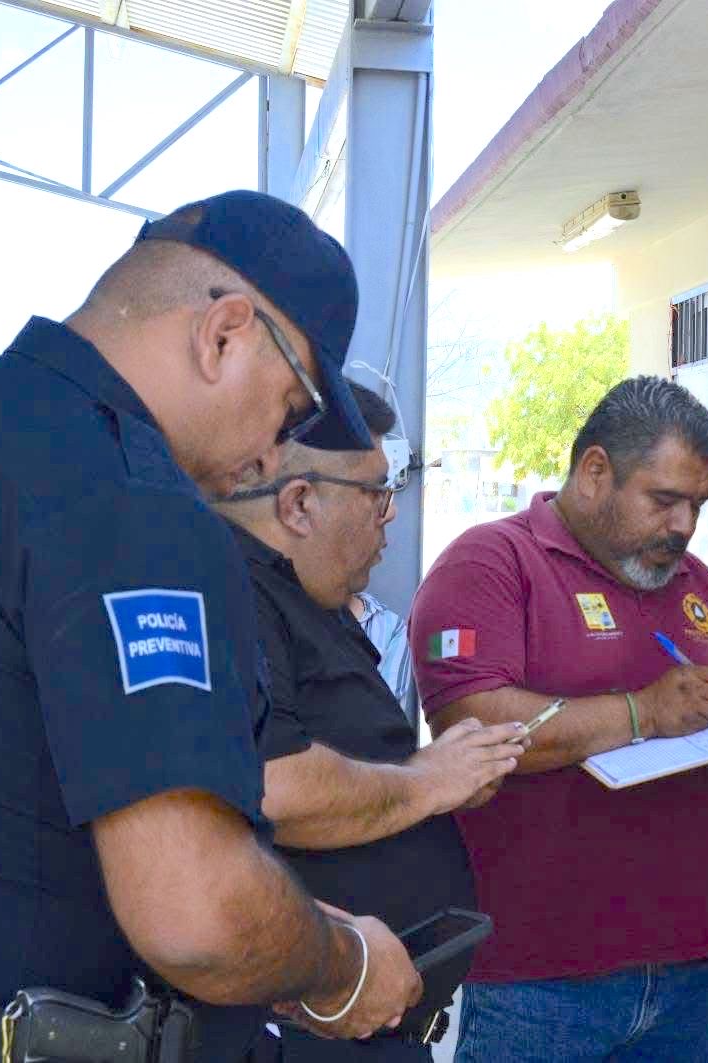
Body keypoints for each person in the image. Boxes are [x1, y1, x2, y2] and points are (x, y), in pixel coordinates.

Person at [0, 191, 422, 1060]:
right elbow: (195, 913)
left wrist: (279, 926)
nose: (271, 453)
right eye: (292, 411)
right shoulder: (134, 495)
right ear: (223, 333)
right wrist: (344, 966)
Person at [412, 376, 708, 1062]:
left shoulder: (694, 581)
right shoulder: (491, 562)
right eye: (664, 499)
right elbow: (473, 722)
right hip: (538, 976)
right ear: (594, 471)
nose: (684, 525)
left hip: (688, 964)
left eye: (697, 504)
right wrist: (644, 712)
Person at [215, 381, 526, 1061]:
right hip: (308, 1023)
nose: (390, 514)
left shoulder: (312, 596)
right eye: (377, 491)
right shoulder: (237, 595)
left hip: (375, 1012)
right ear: (299, 502)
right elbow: (273, 787)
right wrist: (426, 781)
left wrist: (436, 775)